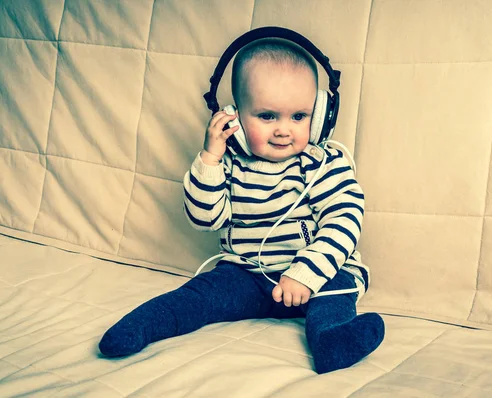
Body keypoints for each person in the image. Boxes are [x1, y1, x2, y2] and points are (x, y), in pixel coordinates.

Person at [99, 38, 385, 374]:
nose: (283, 130)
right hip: (249, 274)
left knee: (335, 294)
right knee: (202, 295)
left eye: (299, 116)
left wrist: (304, 276)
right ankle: (143, 325)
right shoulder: (230, 165)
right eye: (267, 116)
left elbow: (344, 222)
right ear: (234, 119)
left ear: (321, 115)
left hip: (317, 276)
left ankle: (332, 340)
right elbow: (205, 218)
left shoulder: (324, 164)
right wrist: (210, 158)